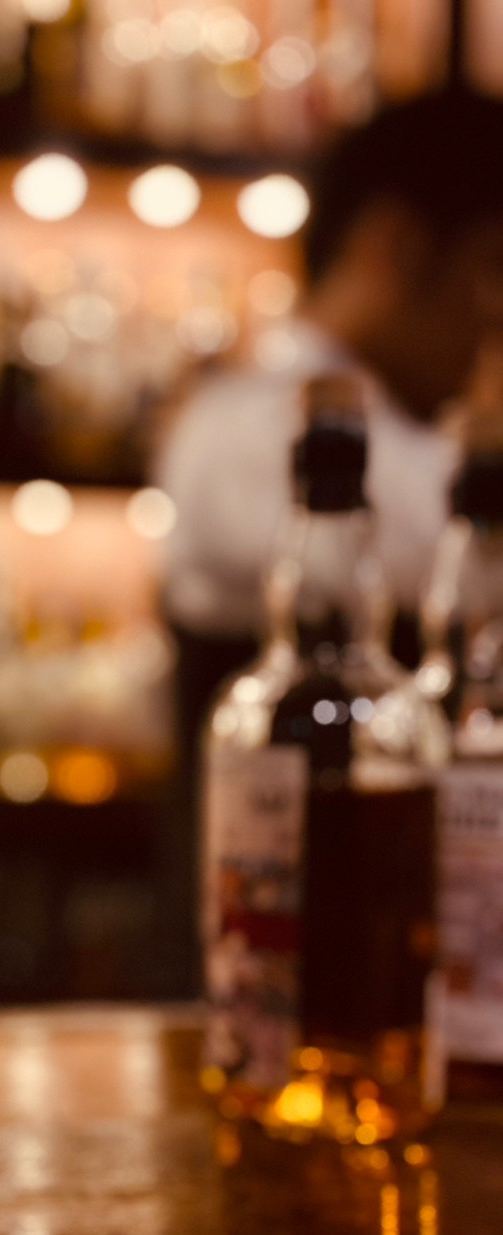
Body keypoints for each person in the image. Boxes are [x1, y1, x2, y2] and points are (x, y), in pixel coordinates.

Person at [158, 86, 503, 749]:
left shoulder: (401, 434)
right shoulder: (245, 426)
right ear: (396, 245)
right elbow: (444, 534)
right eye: (492, 267)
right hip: (266, 820)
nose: (496, 315)